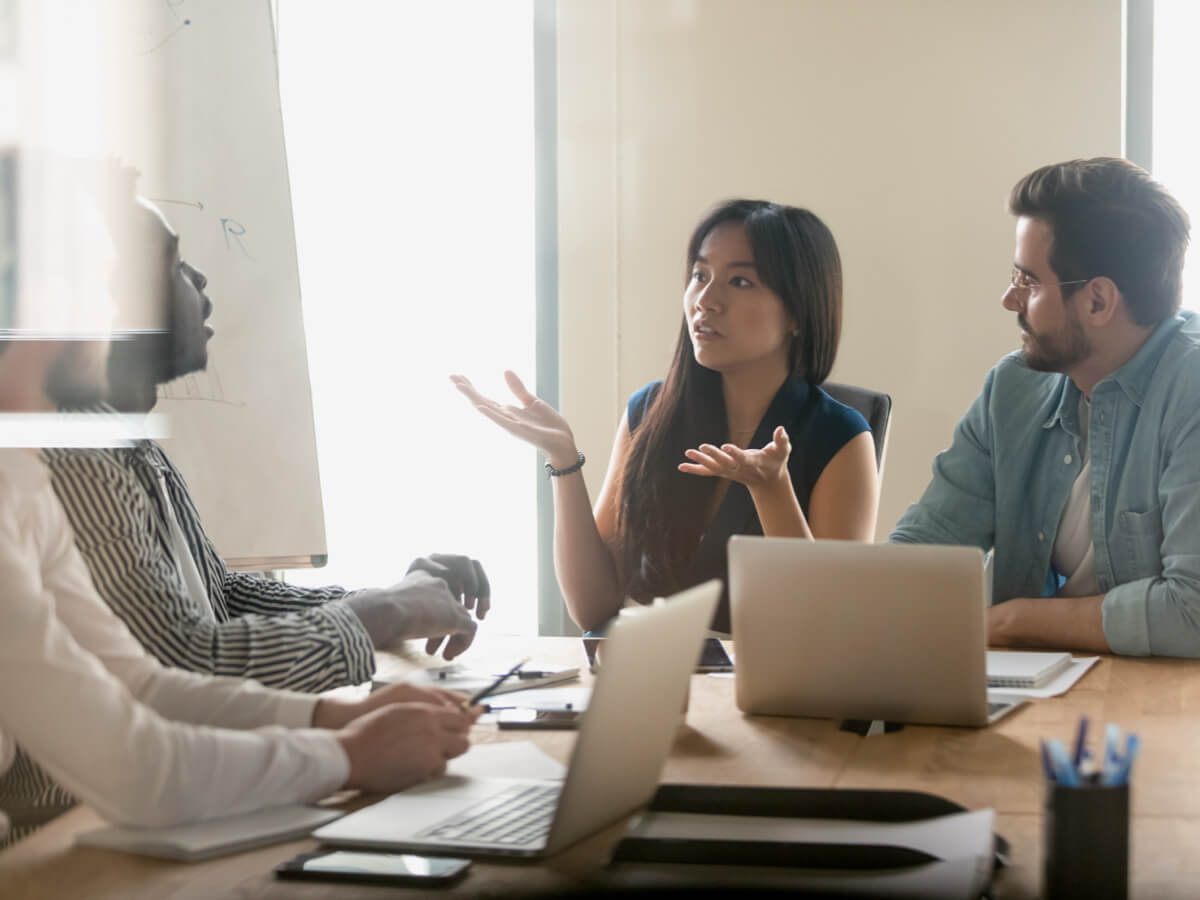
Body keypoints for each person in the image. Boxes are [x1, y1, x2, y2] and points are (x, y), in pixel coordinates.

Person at [0, 324, 477, 847]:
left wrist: (336, 717)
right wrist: (350, 755)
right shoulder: (56, 462)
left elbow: (142, 684)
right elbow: (134, 766)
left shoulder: (23, 479)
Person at [41, 187, 490, 694]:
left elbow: (222, 599)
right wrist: (383, 612)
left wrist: (397, 598)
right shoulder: (74, 458)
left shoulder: (134, 447)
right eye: (175, 264)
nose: (199, 277)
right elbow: (182, 666)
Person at [453, 199, 879, 633]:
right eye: (699, 276)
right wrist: (562, 458)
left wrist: (772, 492)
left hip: (770, 693)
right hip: (653, 678)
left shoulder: (841, 437)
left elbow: (832, 631)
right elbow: (593, 610)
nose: (706, 300)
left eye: (740, 281)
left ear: (797, 313)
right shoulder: (650, 411)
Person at [891, 157, 1199, 657]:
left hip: (1170, 709)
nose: (1009, 299)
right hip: (1036, 693)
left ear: (1098, 301)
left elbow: (1193, 611)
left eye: (1028, 281)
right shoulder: (1012, 388)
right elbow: (930, 543)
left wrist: (1012, 621)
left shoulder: (1192, 390)